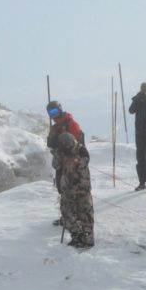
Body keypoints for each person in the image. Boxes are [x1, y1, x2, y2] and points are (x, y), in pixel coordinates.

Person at [46, 101, 95, 248]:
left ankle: (81, 232)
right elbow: (51, 145)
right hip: (64, 161)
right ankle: (69, 220)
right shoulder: (55, 127)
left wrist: (66, 151)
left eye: (55, 112)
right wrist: (53, 140)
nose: (53, 116)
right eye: (51, 114)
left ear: (60, 110)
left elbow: (76, 144)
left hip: (72, 162)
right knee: (64, 190)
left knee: (79, 202)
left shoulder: (71, 124)